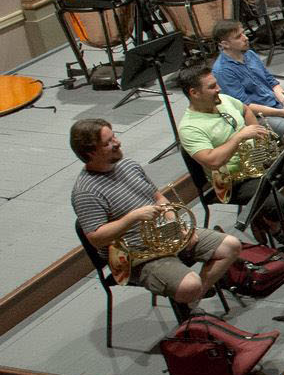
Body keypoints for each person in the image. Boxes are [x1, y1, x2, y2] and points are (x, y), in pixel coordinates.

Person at [69, 118, 240, 312]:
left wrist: (177, 225)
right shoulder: (86, 192)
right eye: (108, 142)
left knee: (230, 246)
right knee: (189, 285)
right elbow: (96, 238)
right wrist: (132, 217)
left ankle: (193, 299)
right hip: (137, 256)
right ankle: (191, 295)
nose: (117, 142)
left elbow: (158, 198)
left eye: (114, 135)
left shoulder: (129, 165)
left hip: (166, 236)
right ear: (90, 152)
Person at [176, 65, 284, 210]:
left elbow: (245, 110)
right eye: (212, 87)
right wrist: (239, 137)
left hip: (257, 162)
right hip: (234, 181)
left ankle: (260, 215)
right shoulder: (189, 128)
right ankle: (271, 219)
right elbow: (212, 161)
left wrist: (258, 135)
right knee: (275, 204)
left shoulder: (223, 100)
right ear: (194, 93)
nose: (218, 89)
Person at [210, 20, 284, 157]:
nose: (246, 38)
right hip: (258, 115)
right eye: (238, 36)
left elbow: (272, 82)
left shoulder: (250, 54)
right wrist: (283, 113)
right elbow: (245, 106)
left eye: (243, 33)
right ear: (225, 44)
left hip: (277, 103)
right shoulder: (222, 71)